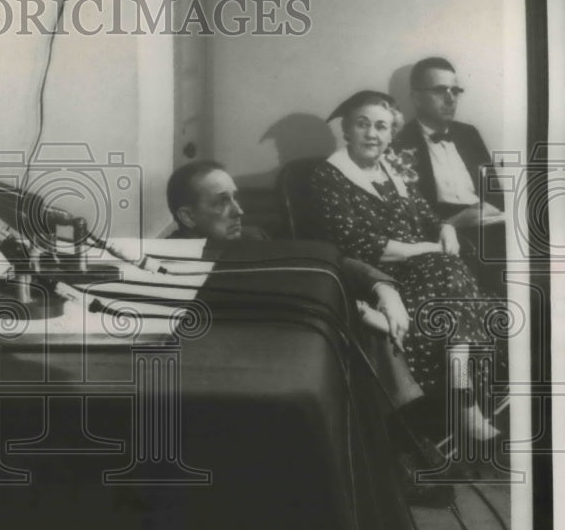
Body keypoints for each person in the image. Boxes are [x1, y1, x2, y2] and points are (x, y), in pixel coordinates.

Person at [311, 90, 502, 442]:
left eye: (381, 127)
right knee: (448, 271)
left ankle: (460, 390)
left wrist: (445, 226)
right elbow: (355, 244)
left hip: (425, 273)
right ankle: (465, 404)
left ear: (391, 134)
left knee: (450, 276)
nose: (372, 134)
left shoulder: (392, 168)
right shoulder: (330, 175)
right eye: (362, 124)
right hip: (378, 276)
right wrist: (431, 248)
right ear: (347, 131)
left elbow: (427, 217)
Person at [165, 160, 413, 354]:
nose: (239, 211)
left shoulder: (252, 237)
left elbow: (314, 259)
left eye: (235, 198)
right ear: (188, 217)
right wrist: (354, 309)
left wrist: (383, 287)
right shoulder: (169, 266)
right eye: (221, 202)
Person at [392, 57, 506, 294]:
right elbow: (413, 215)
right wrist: (450, 224)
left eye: (455, 90)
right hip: (448, 234)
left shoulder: (468, 134)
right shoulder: (400, 143)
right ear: (416, 97)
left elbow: (495, 195)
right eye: (440, 90)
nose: (450, 98)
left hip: (489, 221)